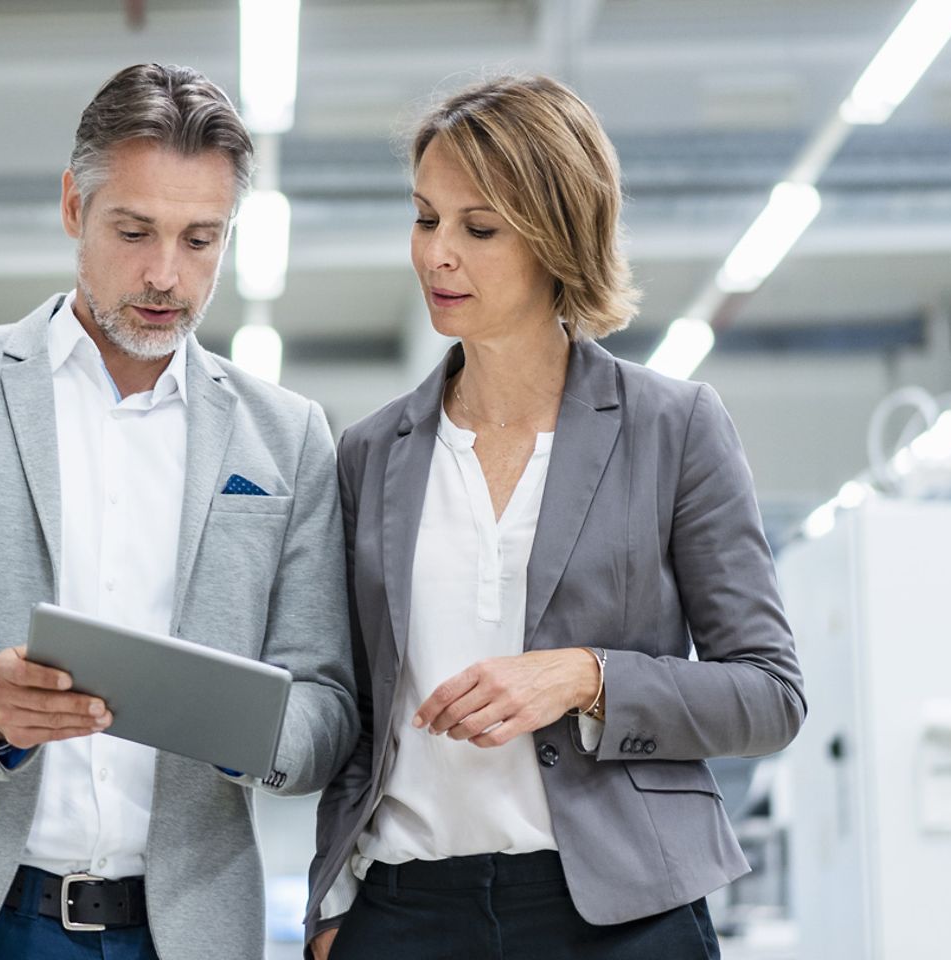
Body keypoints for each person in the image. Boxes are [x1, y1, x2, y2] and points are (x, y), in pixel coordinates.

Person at [0, 62, 357, 960]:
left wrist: (243, 726)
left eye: (202, 239)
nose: (166, 275)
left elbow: (327, 703)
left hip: (181, 931)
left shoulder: (287, 438)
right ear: (73, 206)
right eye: (134, 231)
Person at [306, 75, 806, 960]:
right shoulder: (371, 452)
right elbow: (359, 707)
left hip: (620, 913)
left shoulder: (673, 427)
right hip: (406, 909)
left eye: (479, 227)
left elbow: (768, 695)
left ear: (556, 238)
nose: (436, 255)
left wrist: (587, 676)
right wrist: (333, 907)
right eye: (426, 219)